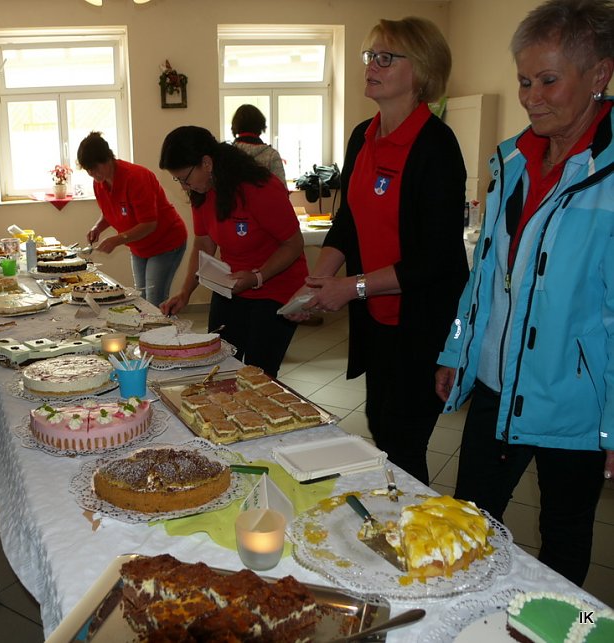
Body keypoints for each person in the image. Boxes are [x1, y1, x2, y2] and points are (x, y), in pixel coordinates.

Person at [435, 0, 614, 587]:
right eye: (523, 81)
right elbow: (485, 276)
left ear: (599, 75)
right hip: (494, 382)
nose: (532, 95)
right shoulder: (511, 160)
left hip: (576, 398)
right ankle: (462, 622)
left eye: (549, 80)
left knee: (564, 536)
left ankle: (575, 628)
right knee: (468, 521)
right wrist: (456, 351)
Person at [288, 17, 468, 485]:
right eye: (371, 56)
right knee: (380, 425)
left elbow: (436, 259)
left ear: (421, 70)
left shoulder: (436, 146)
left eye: (387, 57)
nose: (372, 65)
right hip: (376, 318)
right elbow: (349, 220)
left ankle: (414, 535)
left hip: (421, 321)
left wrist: (351, 287)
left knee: (404, 439)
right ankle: (396, 518)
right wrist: (320, 281)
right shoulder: (362, 136)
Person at [158, 126, 307, 377]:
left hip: (275, 288)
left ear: (206, 163)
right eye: (179, 180)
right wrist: (184, 293)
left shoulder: (259, 188)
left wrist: (257, 276)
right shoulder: (202, 193)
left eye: (185, 178)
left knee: (258, 374)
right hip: (232, 288)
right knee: (220, 365)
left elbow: (293, 244)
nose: (184, 187)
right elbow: (203, 245)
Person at [78, 132, 187, 307]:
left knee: (153, 300)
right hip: (139, 246)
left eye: (95, 168)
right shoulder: (100, 182)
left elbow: (149, 224)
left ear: (107, 159)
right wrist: (98, 227)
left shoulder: (136, 178)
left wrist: (117, 240)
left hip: (165, 242)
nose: (92, 173)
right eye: (88, 170)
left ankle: (161, 333)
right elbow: (110, 211)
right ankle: (149, 332)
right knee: (141, 297)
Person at [230, 104, 286, 184]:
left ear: (235, 126)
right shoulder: (271, 155)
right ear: (261, 125)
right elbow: (281, 190)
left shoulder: (227, 155)